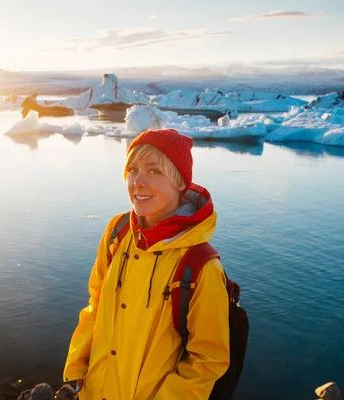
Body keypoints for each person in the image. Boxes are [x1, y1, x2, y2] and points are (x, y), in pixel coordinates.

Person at [63, 128, 230, 400]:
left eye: (154, 171)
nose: (137, 182)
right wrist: (78, 368)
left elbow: (207, 361)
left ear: (179, 182)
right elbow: (96, 305)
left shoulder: (199, 266)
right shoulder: (118, 232)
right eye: (132, 170)